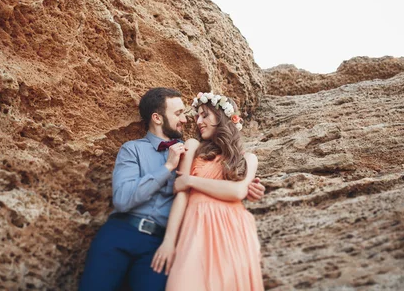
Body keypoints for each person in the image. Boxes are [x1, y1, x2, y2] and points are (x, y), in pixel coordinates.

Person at [78, 88, 265, 291]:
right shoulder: (133, 149)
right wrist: (167, 167)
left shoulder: (192, 150)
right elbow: (123, 199)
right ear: (157, 118)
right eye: (178, 114)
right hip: (122, 232)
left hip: (159, 243)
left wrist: (247, 186)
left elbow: (223, 176)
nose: (186, 120)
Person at [151, 91, 264, 290]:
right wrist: (169, 241)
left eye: (205, 115)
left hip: (235, 230)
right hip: (196, 226)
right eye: (197, 117)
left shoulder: (248, 159)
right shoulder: (193, 147)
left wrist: (191, 180)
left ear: (222, 118)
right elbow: (181, 195)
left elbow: (237, 192)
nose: (199, 121)